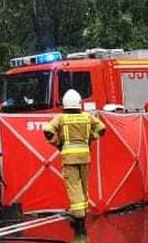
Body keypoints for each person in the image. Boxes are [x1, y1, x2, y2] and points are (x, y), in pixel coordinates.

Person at [44, 89, 106, 222]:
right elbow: (102, 128)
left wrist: (58, 144)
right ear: (79, 103)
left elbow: (48, 130)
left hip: (69, 157)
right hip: (85, 155)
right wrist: (91, 138)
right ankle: (83, 209)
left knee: (73, 185)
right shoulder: (87, 117)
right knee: (84, 184)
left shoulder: (61, 118)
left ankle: (78, 213)